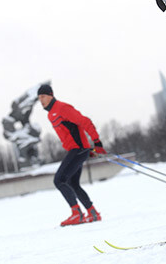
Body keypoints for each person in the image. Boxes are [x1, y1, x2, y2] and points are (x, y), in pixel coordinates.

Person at [37, 84, 107, 226]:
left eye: (43, 96)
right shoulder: (51, 114)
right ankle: (92, 213)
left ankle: (77, 214)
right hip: (77, 150)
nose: (41, 100)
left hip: (78, 149)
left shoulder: (62, 108)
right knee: (72, 183)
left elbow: (84, 121)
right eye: (39, 98)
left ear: (51, 95)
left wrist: (97, 142)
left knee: (59, 180)